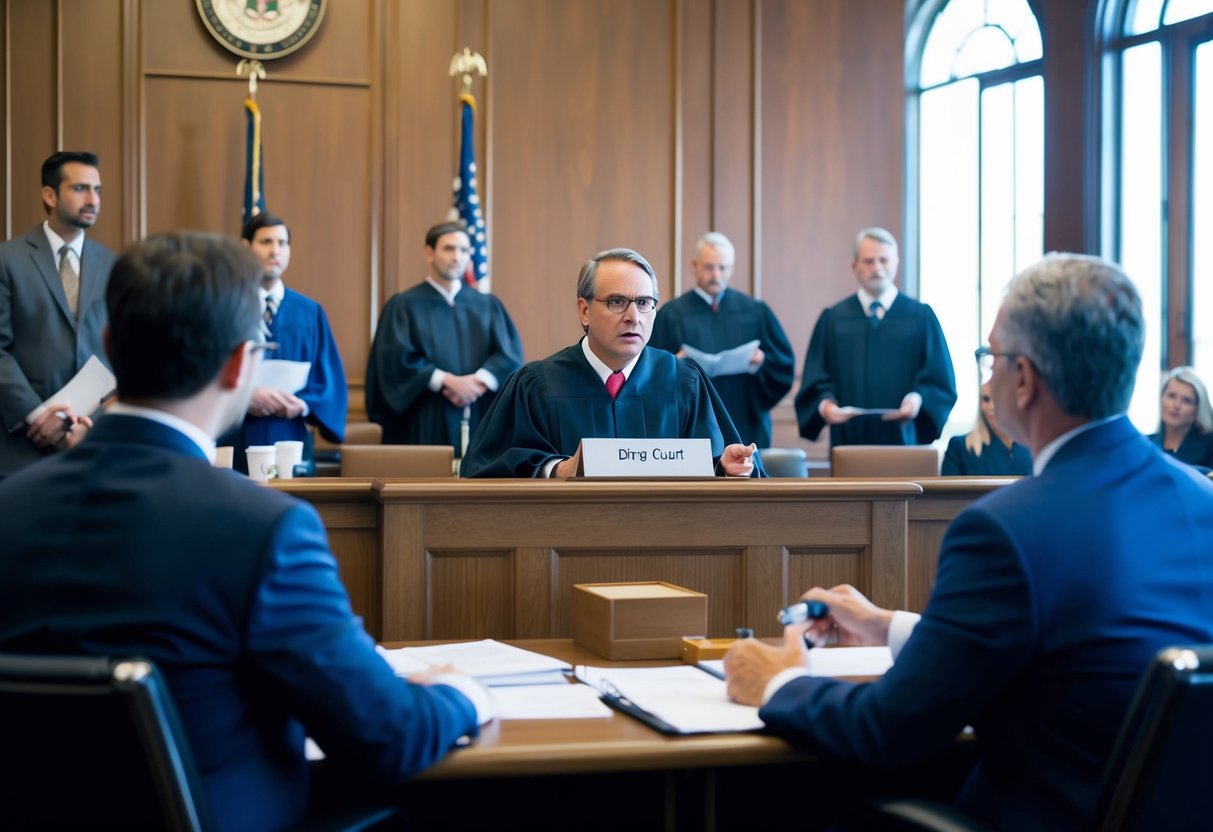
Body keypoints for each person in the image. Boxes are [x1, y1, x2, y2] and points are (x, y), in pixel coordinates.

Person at [0, 232, 490, 832]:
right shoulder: (265, 528)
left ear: (109, 347)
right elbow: (387, 737)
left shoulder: (9, 506)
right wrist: (465, 692)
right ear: (240, 364)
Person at [725, 253, 1213, 830]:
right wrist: (890, 626)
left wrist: (778, 681)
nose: (986, 374)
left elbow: (890, 728)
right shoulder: (1200, 501)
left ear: (1025, 379)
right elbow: (1072, 650)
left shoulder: (1006, 529)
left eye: (991, 357)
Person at [461, 247, 759, 478]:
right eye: (617, 302)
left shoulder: (684, 381)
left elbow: (720, 463)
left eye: (644, 303)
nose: (634, 317)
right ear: (585, 311)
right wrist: (557, 469)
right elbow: (485, 467)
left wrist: (725, 467)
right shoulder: (539, 384)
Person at [0, 151, 115, 477]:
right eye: (81, 189)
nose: (93, 199)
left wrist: (86, 426)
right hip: (22, 449)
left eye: (98, 190)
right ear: (50, 195)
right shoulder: (7, 261)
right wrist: (38, 417)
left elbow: (122, 351)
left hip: (93, 445)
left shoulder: (113, 265)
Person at [365, 221, 523, 456]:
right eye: (449, 248)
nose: (457, 257)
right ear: (429, 252)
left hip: (480, 414)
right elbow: (393, 362)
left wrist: (477, 383)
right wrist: (445, 381)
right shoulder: (404, 305)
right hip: (424, 418)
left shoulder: (488, 305)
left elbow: (509, 355)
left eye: (463, 250)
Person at [794, 227, 956, 448]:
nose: (877, 268)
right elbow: (816, 378)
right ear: (855, 266)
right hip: (848, 444)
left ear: (896, 262)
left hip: (904, 443)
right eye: (869, 261)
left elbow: (939, 380)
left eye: (884, 260)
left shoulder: (920, 317)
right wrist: (825, 405)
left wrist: (917, 400)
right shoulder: (833, 319)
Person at [225, 211, 347, 473]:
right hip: (235, 433)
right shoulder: (225, 307)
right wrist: (246, 396)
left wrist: (301, 404)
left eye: (282, 243)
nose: (275, 251)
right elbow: (206, 370)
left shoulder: (310, 312)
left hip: (289, 435)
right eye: (266, 242)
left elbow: (328, 380)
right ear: (246, 247)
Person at [649, 232, 794, 448]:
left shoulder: (755, 311)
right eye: (709, 267)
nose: (716, 274)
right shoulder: (671, 314)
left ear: (732, 268)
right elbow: (650, 369)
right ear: (694, 265)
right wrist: (673, 363)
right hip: (693, 422)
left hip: (745, 421)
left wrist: (763, 361)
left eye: (722, 267)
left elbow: (783, 365)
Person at [941, 381, 1032, 476]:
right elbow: (948, 490)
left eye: (998, 398)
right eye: (986, 399)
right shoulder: (959, 447)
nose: (991, 407)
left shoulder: (1032, 448)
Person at [1148, 366, 1213, 470]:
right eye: (1171, 396)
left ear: (1199, 409)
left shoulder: (1209, 446)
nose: (1176, 405)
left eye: (1187, 400)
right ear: (1162, 398)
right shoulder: (1146, 443)